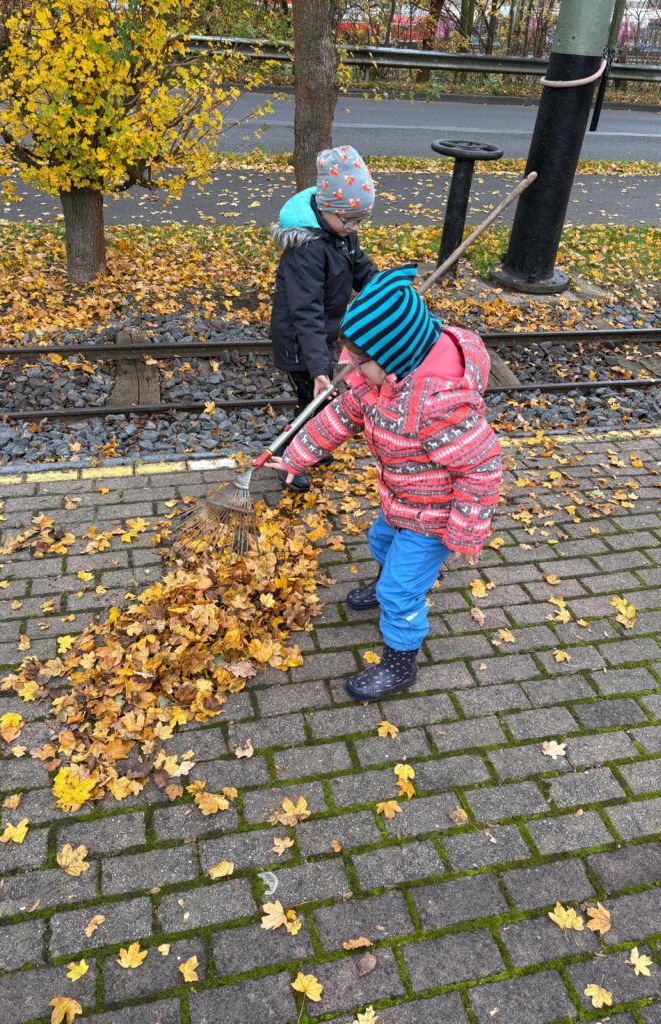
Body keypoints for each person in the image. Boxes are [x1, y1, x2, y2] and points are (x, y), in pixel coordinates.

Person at [269, 266, 503, 702]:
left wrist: (466, 531)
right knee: (380, 541)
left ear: (395, 355)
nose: (349, 369)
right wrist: (297, 456)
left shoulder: (437, 407)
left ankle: (400, 661)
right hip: (400, 499)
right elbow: (340, 418)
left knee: (401, 591)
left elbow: (482, 468)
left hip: (433, 518)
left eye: (360, 361)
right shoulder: (379, 381)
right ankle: (385, 584)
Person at [270, 144, 378, 492]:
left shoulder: (338, 232)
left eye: (360, 221)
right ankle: (289, 458)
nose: (353, 227)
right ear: (328, 209)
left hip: (320, 336)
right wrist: (319, 370)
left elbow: (357, 263)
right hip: (301, 341)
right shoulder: (308, 250)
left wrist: (386, 290)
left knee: (319, 400)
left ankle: (312, 447)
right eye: (348, 220)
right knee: (310, 402)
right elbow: (307, 313)